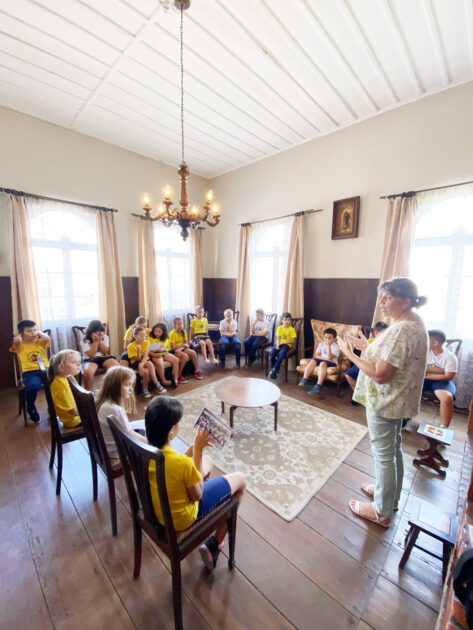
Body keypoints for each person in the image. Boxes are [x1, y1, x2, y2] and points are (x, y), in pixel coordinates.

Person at [338, 277, 428, 528]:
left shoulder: (400, 330)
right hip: (398, 401)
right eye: (382, 296)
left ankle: (381, 511)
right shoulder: (413, 323)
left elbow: (380, 373)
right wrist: (366, 346)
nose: (382, 302)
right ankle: (390, 497)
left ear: (406, 301)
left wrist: (349, 354)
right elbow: (392, 358)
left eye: (388, 297)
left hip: (387, 401)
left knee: (384, 454)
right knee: (393, 447)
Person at [145, 396, 247, 571]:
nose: (179, 425)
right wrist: (197, 451)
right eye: (177, 423)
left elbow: (173, 469)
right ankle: (214, 544)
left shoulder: (147, 453)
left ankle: (215, 513)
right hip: (183, 518)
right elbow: (197, 495)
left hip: (161, 511)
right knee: (241, 480)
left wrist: (194, 450)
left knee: (207, 460)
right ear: (171, 431)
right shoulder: (182, 464)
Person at [96, 366, 148, 463]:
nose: (131, 389)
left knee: (142, 426)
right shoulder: (115, 409)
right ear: (115, 385)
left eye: (131, 385)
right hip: (116, 451)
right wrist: (151, 444)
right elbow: (130, 434)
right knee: (146, 436)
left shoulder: (104, 401)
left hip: (106, 445)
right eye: (127, 385)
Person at [9, 320, 50, 423]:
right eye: (29, 331)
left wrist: (37, 331)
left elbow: (46, 338)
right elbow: (17, 341)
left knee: (59, 381)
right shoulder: (20, 345)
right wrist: (19, 334)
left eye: (35, 330)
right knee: (33, 386)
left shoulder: (39, 342)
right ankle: (30, 406)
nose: (33, 333)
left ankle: (54, 407)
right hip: (30, 372)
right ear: (22, 333)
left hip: (45, 368)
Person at [345, 322, 389, 403]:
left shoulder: (387, 345)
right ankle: (358, 394)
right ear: (376, 333)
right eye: (384, 333)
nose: (386, 335)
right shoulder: (369, 341)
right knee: (348, 374)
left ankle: (370, 398)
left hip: (376, 367)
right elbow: (362, 357)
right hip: (364, 364)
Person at [423, 329, 458, 428]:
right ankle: (405, 417)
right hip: (424, 378)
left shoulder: (450, 357)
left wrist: (428, 372)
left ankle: (444, 428)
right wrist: (442, 370)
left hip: (441, 381)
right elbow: (419, 367)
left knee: (447, 398)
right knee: (406, 388)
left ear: (435, 343)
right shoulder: (425, 351)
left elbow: (449, 376)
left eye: (426, 339)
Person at [298, 327, 340, 394]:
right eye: (326, 337)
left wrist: (328, 346)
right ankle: (304, 379)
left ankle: (318, 385)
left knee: (322, 364)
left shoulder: (336, 347)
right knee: (313, 361)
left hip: (332, 362)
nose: (327, 339)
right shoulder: (321, 344)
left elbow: (330, 357)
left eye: (330, 338)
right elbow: (316, 355)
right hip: (324, 359)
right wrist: (325, 358)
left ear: (334, 339)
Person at [80, 320, 119, 391]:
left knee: (116, 368)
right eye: (97, 331)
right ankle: (89, 394)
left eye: (101, 331)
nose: (100, 333)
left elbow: (104, 352)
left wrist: (100, 340)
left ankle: (113, 390)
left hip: (104, 357)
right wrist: (95, 341)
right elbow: (91, 355)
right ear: (91, 332)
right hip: (90, 360)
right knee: (88, 372)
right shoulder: (84, 340)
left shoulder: (105, 337)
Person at [127, 326, 165, 398]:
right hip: (135, 362)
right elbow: (137, 359)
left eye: (145, 335)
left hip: (144, 361)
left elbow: (146, 355)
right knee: (147, 369)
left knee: (148, 366)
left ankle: (150, 387)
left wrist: (141, 365)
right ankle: (151, 386)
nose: (144, 337)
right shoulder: (130, 346)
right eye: (141, 336)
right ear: (134, 336)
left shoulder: (147, 342)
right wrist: (138, 351)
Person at [48, 349, 82, 428]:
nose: (78, 364)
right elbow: (75, 412)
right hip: (75, 420)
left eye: (79, 361)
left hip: (76, 415)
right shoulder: (62, 386)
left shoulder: (66, 377)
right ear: (61, 367)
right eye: (73, 362)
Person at [169, 317, 203, 382]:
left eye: (182, 324)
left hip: (181, 348)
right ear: (175, 325)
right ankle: (179, 374)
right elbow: (173, 347)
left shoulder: (183, 332)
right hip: (173, 350)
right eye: (178, 324)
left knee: (193, 352)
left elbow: (186, 343)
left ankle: (196, 370)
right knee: (184, 356)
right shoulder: (172, 334)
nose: (181, 325)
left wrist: (184, 346)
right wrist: (183, 346)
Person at [148, 323, 179, 387]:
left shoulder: (165, 338)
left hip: (163, 353)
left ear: (163, 332)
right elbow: (148, 350)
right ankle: (163, 381)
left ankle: (175, 379)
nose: (157, 333)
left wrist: (157, 348)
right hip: (153, 354)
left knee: (175, 360)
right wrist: (158, 349)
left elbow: (163, 349)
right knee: (160, 363)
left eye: (159, 332)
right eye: (155, 331)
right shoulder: (150, 337)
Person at [268, 313, 296, 380]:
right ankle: (275, 370)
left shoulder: (292, 329)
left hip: (286, 345)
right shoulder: (279, 328)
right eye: (285, 320)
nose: (287, 321)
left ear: (290, 321)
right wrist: (277, 344)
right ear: (282, 320)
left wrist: (284, 342)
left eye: (288, 320)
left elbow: (292, 341)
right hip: (279, 343)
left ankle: (274, 369)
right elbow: (278, 338)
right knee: (272, 353)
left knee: (281, 354)